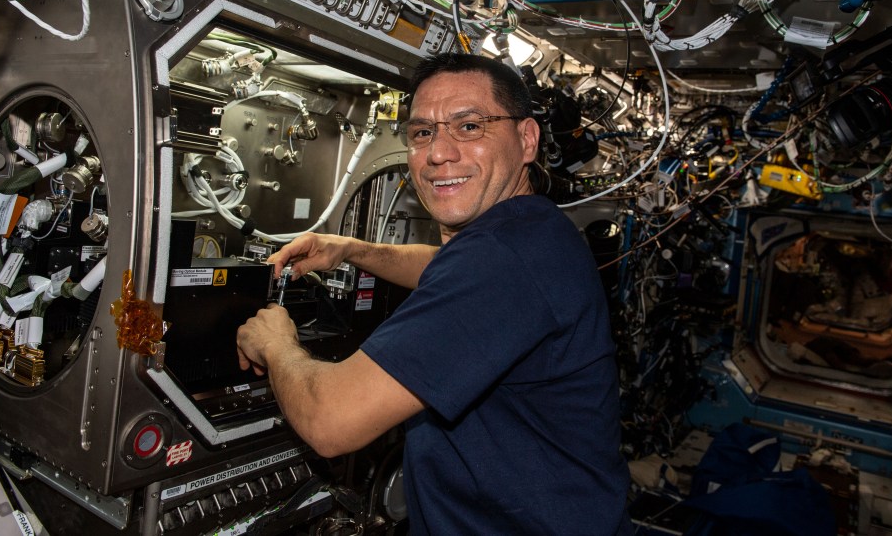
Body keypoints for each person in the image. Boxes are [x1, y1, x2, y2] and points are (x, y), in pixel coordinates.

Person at [236, 53, 633, 534]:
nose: (438, 153)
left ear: (527, 139)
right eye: (422, 132)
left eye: (469, 127)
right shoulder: (533, 231)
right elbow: (445, 272)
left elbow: (330, 422)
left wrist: (276, 343)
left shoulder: (502, 260)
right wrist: (351, 250)